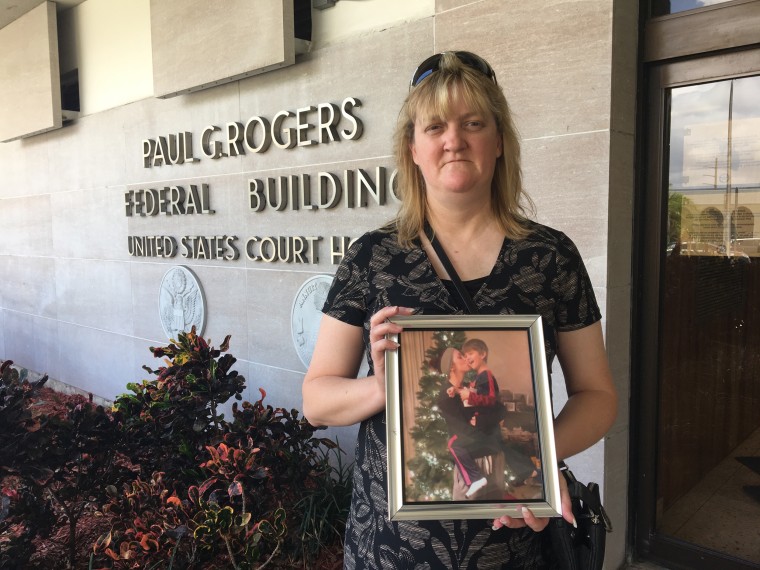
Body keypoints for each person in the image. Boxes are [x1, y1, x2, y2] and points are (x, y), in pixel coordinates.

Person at [302, 50, 617, 569]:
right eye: (435, 126)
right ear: (413, 147)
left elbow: (598, 396)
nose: (454, 140)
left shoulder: (550, 257)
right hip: (390, 548)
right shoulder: (371, 257)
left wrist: (531, 458)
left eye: (474, 123)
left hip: (514, 550)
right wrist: (387, 386)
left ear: (498, 142)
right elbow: (317, 399)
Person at [438, 346, 498, 499]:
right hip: (471, 459)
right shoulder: (446, 395)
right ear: (451, 366)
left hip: (488, 456)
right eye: (460, 357)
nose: (466, 359)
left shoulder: (468, 387)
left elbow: (496, 409)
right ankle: (475, 479)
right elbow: (460, 430)